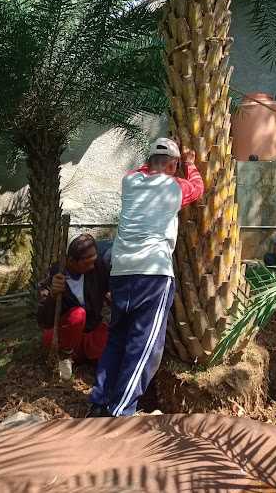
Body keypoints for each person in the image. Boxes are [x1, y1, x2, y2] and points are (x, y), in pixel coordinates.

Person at [87, 137, 204, 418]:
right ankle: (121, 410)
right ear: (173, 165)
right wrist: (190, 164)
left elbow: (145, 169)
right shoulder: (175, 187)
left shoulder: (130, 181)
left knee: (117, 338)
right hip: (152, 274)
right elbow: (198, 188)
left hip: (121, 272)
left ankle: (99, 400)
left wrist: (164, 162)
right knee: (144, 346)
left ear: (148, 162)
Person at [37, 233, 112, 380]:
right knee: (78, 314)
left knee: (111, 339)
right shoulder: (54, 276)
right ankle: (65, 356)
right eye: (86, 263)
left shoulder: (97, 269)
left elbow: (108, 289)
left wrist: (110, 294)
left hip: (88, 335)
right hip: (63, 337)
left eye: (93, 262)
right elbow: (43, 320)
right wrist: (52, 295)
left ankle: (85, 357)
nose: (92, 267)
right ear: (71, 261)